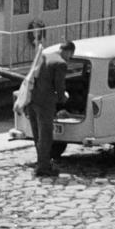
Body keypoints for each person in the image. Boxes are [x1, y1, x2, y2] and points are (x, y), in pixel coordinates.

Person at [27, 41, 75, 178]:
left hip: (33, 100)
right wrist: (63, 98)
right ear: (69, 52)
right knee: (46, 135)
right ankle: (44, 168)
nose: (69, 58)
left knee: (37, 134)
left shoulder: (44, 56)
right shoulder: (61, 64)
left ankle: (41, 163)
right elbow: (60, 86)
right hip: (45, 103)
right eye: (71, 55)